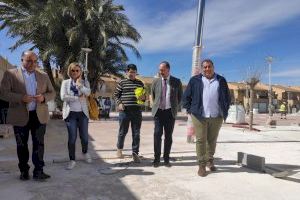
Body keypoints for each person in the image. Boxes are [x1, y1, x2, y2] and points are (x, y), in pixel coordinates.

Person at [0, 50, 55, 181]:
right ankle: (24, 171)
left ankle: (39, 171)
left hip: (39, 115)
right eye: (29, 60)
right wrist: (21, 98)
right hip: (20, 115)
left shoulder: (43, 75)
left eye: (35, 61)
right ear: (22, 60)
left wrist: (43, 98)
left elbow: (52, 93)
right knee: (21, 145)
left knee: (39, 144)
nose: (32, 63)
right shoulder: (10, 74)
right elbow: (3, 93)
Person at [183, 59, 231, 177]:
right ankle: (201, 164)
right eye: (205, 67)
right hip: (199, 115)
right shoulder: (195, 80)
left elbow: (227, 97)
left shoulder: (221, 80)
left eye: (209, 66)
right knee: (200, 140)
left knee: (212, 140)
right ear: (202, 68)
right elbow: (186, 97)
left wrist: (225, 109)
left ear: (213, 67)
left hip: (216, 115)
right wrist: (190, 110)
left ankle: (210, 160)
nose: (207, 69)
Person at [60, 62, 92, 170]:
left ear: (80, 72)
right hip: (70, 114)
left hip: (83, 114)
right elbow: (63, 96)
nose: (75, 72)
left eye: (77, 70)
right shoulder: (65, 83)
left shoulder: (84, 82)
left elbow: (88, 93)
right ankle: (72, 160)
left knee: (84, 137)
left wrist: (80, 86)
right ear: (69, 71)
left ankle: (85, 152)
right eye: (73, 70)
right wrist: (77, 98)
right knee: (72, 138)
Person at [151, 61, 183, 167]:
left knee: (168, 136)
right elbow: (153, 95)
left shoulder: (176, 81)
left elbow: (180, 97)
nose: (161, 72)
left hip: (170, 113)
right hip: (159, 112)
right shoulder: (155, 81)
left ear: (168, 70)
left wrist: (174, 107)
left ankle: (166, 158)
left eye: (163, 70)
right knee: (157, 134)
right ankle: (156, 159)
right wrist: (155, 106)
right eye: (160, 70)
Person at [114, 64, 145, 163]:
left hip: (137, 111)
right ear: (126, 72)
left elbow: (143, 98)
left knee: (136, 133)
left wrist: (143, 99)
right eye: (130, 72)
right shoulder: (122, 83)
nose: (131, 74)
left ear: (136, 72)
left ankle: (135, 153)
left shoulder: (140, 83)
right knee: (123, 132)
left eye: (133, 72)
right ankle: (119, 150)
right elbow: (116, 95)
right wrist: (119, 104)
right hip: (124, 111)